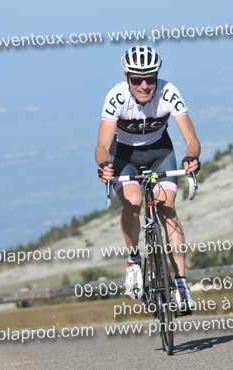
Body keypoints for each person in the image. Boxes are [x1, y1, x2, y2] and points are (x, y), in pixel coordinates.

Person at [95, 45, 201, 313]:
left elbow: (191, 139)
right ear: (127, 78)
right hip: (125, 155)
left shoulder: (169, 92)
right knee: (133, 201)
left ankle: (181, 284)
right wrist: (104, 164)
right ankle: (133, 259)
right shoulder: (116, 97)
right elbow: (102, 145)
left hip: (159, 152)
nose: (144, 85)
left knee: (166, 208)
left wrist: (190, 156)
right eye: (137, 80)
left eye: (150, 79)